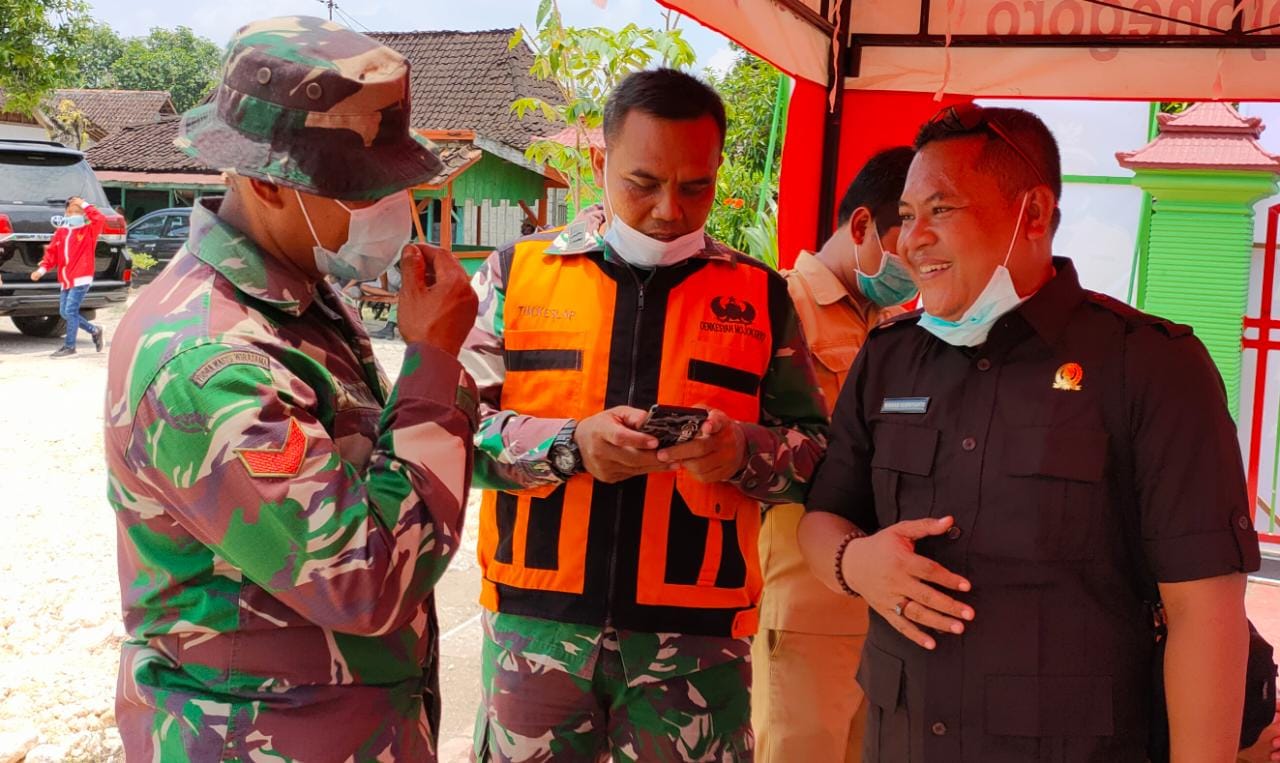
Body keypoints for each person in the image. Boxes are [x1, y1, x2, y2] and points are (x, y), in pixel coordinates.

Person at [798, 104, 1260, 762]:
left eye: (941, 210)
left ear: (1033, 215)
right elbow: (822, 518)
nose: (909, 239)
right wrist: (855, 564)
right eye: (906, 214)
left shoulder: (1150, 366)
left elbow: (1204, 611)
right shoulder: (889, 357)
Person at [103, 16, 479, 760]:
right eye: (363, 191)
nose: (392, 212)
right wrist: (433, 359)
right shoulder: (209, 361)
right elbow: (364, 581)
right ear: (272, 185)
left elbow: (379, 452)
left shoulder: (300, 295)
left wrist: (560, 445)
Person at [459, 67, 829, 762]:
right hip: (535, 639)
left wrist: (744, 451)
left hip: (695, 650)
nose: (668, 209)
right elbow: (451, 432)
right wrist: (570, 445)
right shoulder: (515, 274)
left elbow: (816, 453)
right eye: (643, 182)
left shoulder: (760, 297)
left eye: (696, 187)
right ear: (600, 162)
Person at [755, 146, 917, 763]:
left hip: (882, 604)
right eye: (909, 235)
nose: (922, 255)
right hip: (804, 601)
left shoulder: (900, 326)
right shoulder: (782, 309)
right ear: (861, 227)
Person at [32, 196, 106, 358]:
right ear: (65, 213)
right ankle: (94, 330)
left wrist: (84, 204)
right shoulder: (61, 233)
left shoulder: (88, 231)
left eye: (77, 211)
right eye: (70, 211)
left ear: (84, 214)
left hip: (81, 278)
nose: (73, 214)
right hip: (66, 279)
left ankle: (70, 346)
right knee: (65, 313)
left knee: (70, 311)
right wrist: (42, 270)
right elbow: (51, 255)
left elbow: (99, 218)